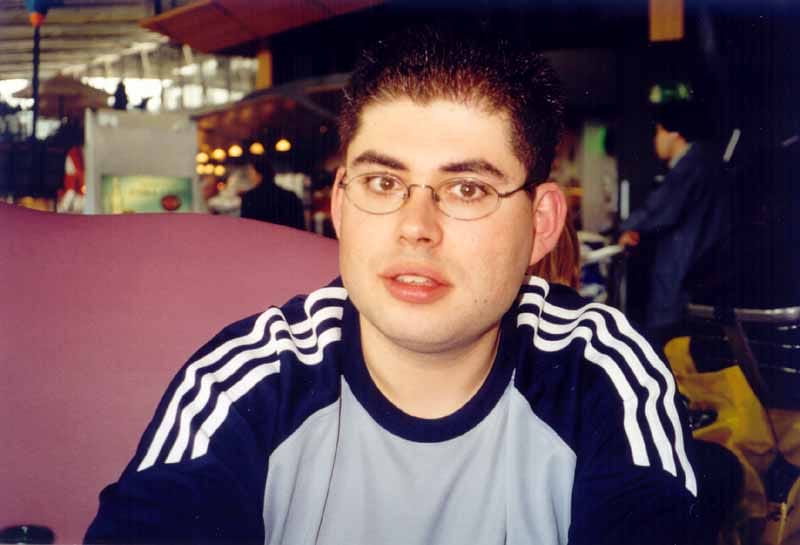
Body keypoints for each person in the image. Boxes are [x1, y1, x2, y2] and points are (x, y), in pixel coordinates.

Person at [85, 25, 697, 545]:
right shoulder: (246, 381)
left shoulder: (599, 377)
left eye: (467, 189)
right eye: (383, 183)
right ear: (341, 205)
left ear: (540, 224)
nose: (416, 228)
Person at [618, 100, 730, 345]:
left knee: (669, 343)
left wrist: (628, 227)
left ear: (674, 133)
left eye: (658, 131)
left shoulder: (691, 164)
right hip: (699, 273)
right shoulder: (706, 161)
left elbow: (660, 210)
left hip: (682, 276)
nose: (655, 140)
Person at [239, 154, 305, 230]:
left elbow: (247, 229)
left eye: (251, 173)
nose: (250, 177)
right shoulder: (291, 196)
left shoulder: (249, 198)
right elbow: (300, 228)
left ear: (259, 174)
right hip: (286, 237)